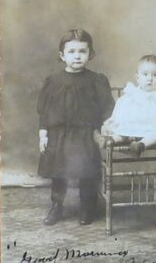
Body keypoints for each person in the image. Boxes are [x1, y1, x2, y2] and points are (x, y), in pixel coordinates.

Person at [37, 29, 114, 226]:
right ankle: (56, 206)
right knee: (58, 172)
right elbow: (45, 111)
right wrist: (43, 134)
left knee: (87, 172)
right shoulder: (53, 81)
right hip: (59, 134)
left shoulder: (96, 80)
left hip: (85, 134)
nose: (77, 56)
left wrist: (105, 127)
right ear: (62, 55)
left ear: (90, 54)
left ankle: (87, 207)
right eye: (71, 52)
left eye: (82, 51)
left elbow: (107, 107)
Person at [101, 54, 156, 157]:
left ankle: (140, 146)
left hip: (154, 127)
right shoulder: (133, 93)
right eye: (145, 74)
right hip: (134, 126)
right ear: (137, 77)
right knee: (123, 132)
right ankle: (112, 140)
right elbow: (122, 107)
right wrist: (116, 122)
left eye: (155, 75)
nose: (150, 79)